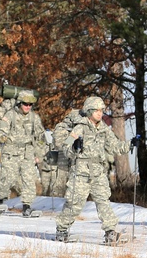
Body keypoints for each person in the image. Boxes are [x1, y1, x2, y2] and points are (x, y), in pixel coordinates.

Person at [55, 96, 129, 243]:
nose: (100, 113)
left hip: (97, 171)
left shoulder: (104, 129)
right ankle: (62, 230)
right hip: (81, 171)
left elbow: (115, 145)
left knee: (103, 201)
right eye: (96, 111)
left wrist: (130, 144)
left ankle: (110, 233)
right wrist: (74, 147)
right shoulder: (79, 128)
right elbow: (66, 147)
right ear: (89, 111)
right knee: (74, 203)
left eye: (101, 110)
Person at [0, 89, 46, 216]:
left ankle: (27, 206)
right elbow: (1, 130)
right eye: (25, 104)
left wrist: (40, 153)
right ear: (19, 103)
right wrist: (1, 137)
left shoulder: (34, 117)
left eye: (30, 105)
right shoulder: (10, 115)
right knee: (8, 179)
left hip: (27, 152)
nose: (28, 107)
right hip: (11, 152)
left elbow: (40, 136)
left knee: (29, 179)